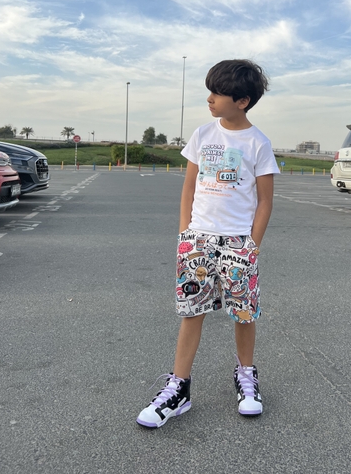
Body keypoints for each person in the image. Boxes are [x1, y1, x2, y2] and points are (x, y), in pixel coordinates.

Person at [136, 59, 279, 428]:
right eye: (210, 91)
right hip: (198, 240)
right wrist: (185, 233)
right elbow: (189, 188)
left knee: (243, 313)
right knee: (191, 312)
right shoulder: (202, 135)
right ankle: (178, 388)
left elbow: (265, 200)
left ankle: (246, 376)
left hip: (238, 242)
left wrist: (252, 246)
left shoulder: (258, 143)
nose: (210, 98)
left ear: (242, 101)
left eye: (218, 93)